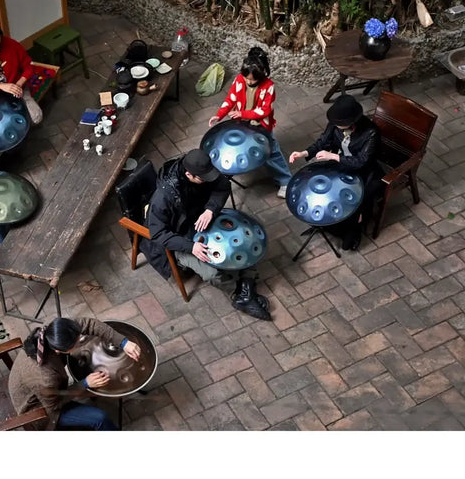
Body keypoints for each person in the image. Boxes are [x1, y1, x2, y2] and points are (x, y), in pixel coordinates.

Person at [143, 148, 271, 320]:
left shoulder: (203, 171)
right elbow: (158, 234)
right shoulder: (163, 198)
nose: (208, 181)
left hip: (203, 220)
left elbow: (223, 185)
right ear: (189, 174)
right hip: (181, 239)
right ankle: (238, 292)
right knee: (211, 272)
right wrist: (191, 246)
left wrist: (210, 210)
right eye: (203, 179)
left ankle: (247, 286)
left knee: (242, 240)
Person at [8, 317, 141, 430]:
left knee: (81, 354)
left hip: (43, 389)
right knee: (101, 418)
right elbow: (54, 405)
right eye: (76, 342)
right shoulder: (46, 377)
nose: (81, 339)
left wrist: (123, 342)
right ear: (59, 351)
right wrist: (85, 384)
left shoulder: (53, 332)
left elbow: (89, 324)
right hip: (39, 408)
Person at [289, 94, 384, 251]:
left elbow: (362, 161)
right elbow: (322, 142)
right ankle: (327, 223)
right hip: (341, 165)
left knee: (355, 204)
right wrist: (304, 153)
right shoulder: (336, 124)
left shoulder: (371, 132)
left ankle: (356, 228)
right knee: (320, 188)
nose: (335, 125)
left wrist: (333, 156)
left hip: (365, 172)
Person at [208, 47, 292, 198]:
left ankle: (285, 181)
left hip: (261, 125)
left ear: (261, 75)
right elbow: (230, 99)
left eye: (253, 79)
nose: (249, 81)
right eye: (247, 78)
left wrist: (242, 113)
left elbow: (264, 111)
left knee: (272, 151)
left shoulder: (268, 87)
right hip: (242, 122)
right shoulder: (239, 79)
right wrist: (219, 115)